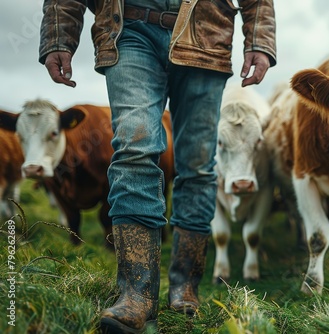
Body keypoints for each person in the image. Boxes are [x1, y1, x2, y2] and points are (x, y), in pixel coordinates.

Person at [39, 0, 276, 333]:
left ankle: (185, 285)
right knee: (134, 151)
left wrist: (259, 42)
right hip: (127, 28)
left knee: (197, 166)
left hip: (205, 34)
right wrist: (58, 38)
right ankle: (136, 293)